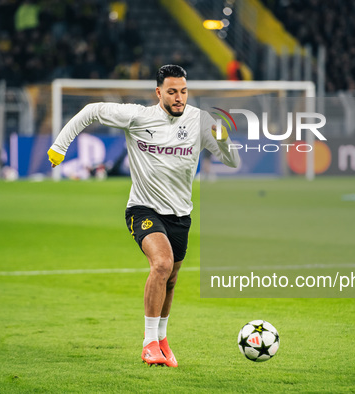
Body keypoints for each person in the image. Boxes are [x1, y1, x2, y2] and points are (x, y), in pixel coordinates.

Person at [47, 65, 240, 367]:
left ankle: (162, 340)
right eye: (172, 91)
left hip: (180, 214)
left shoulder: (199, 121)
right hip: (143, 209)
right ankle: (149, 343)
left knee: (172, 279)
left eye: (184, 91)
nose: (179, 98)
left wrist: (224, 138)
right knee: (161, 264)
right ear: (159, 92)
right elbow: (91, 111)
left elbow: (232, 161)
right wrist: (60, 146)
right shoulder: (138, 117)